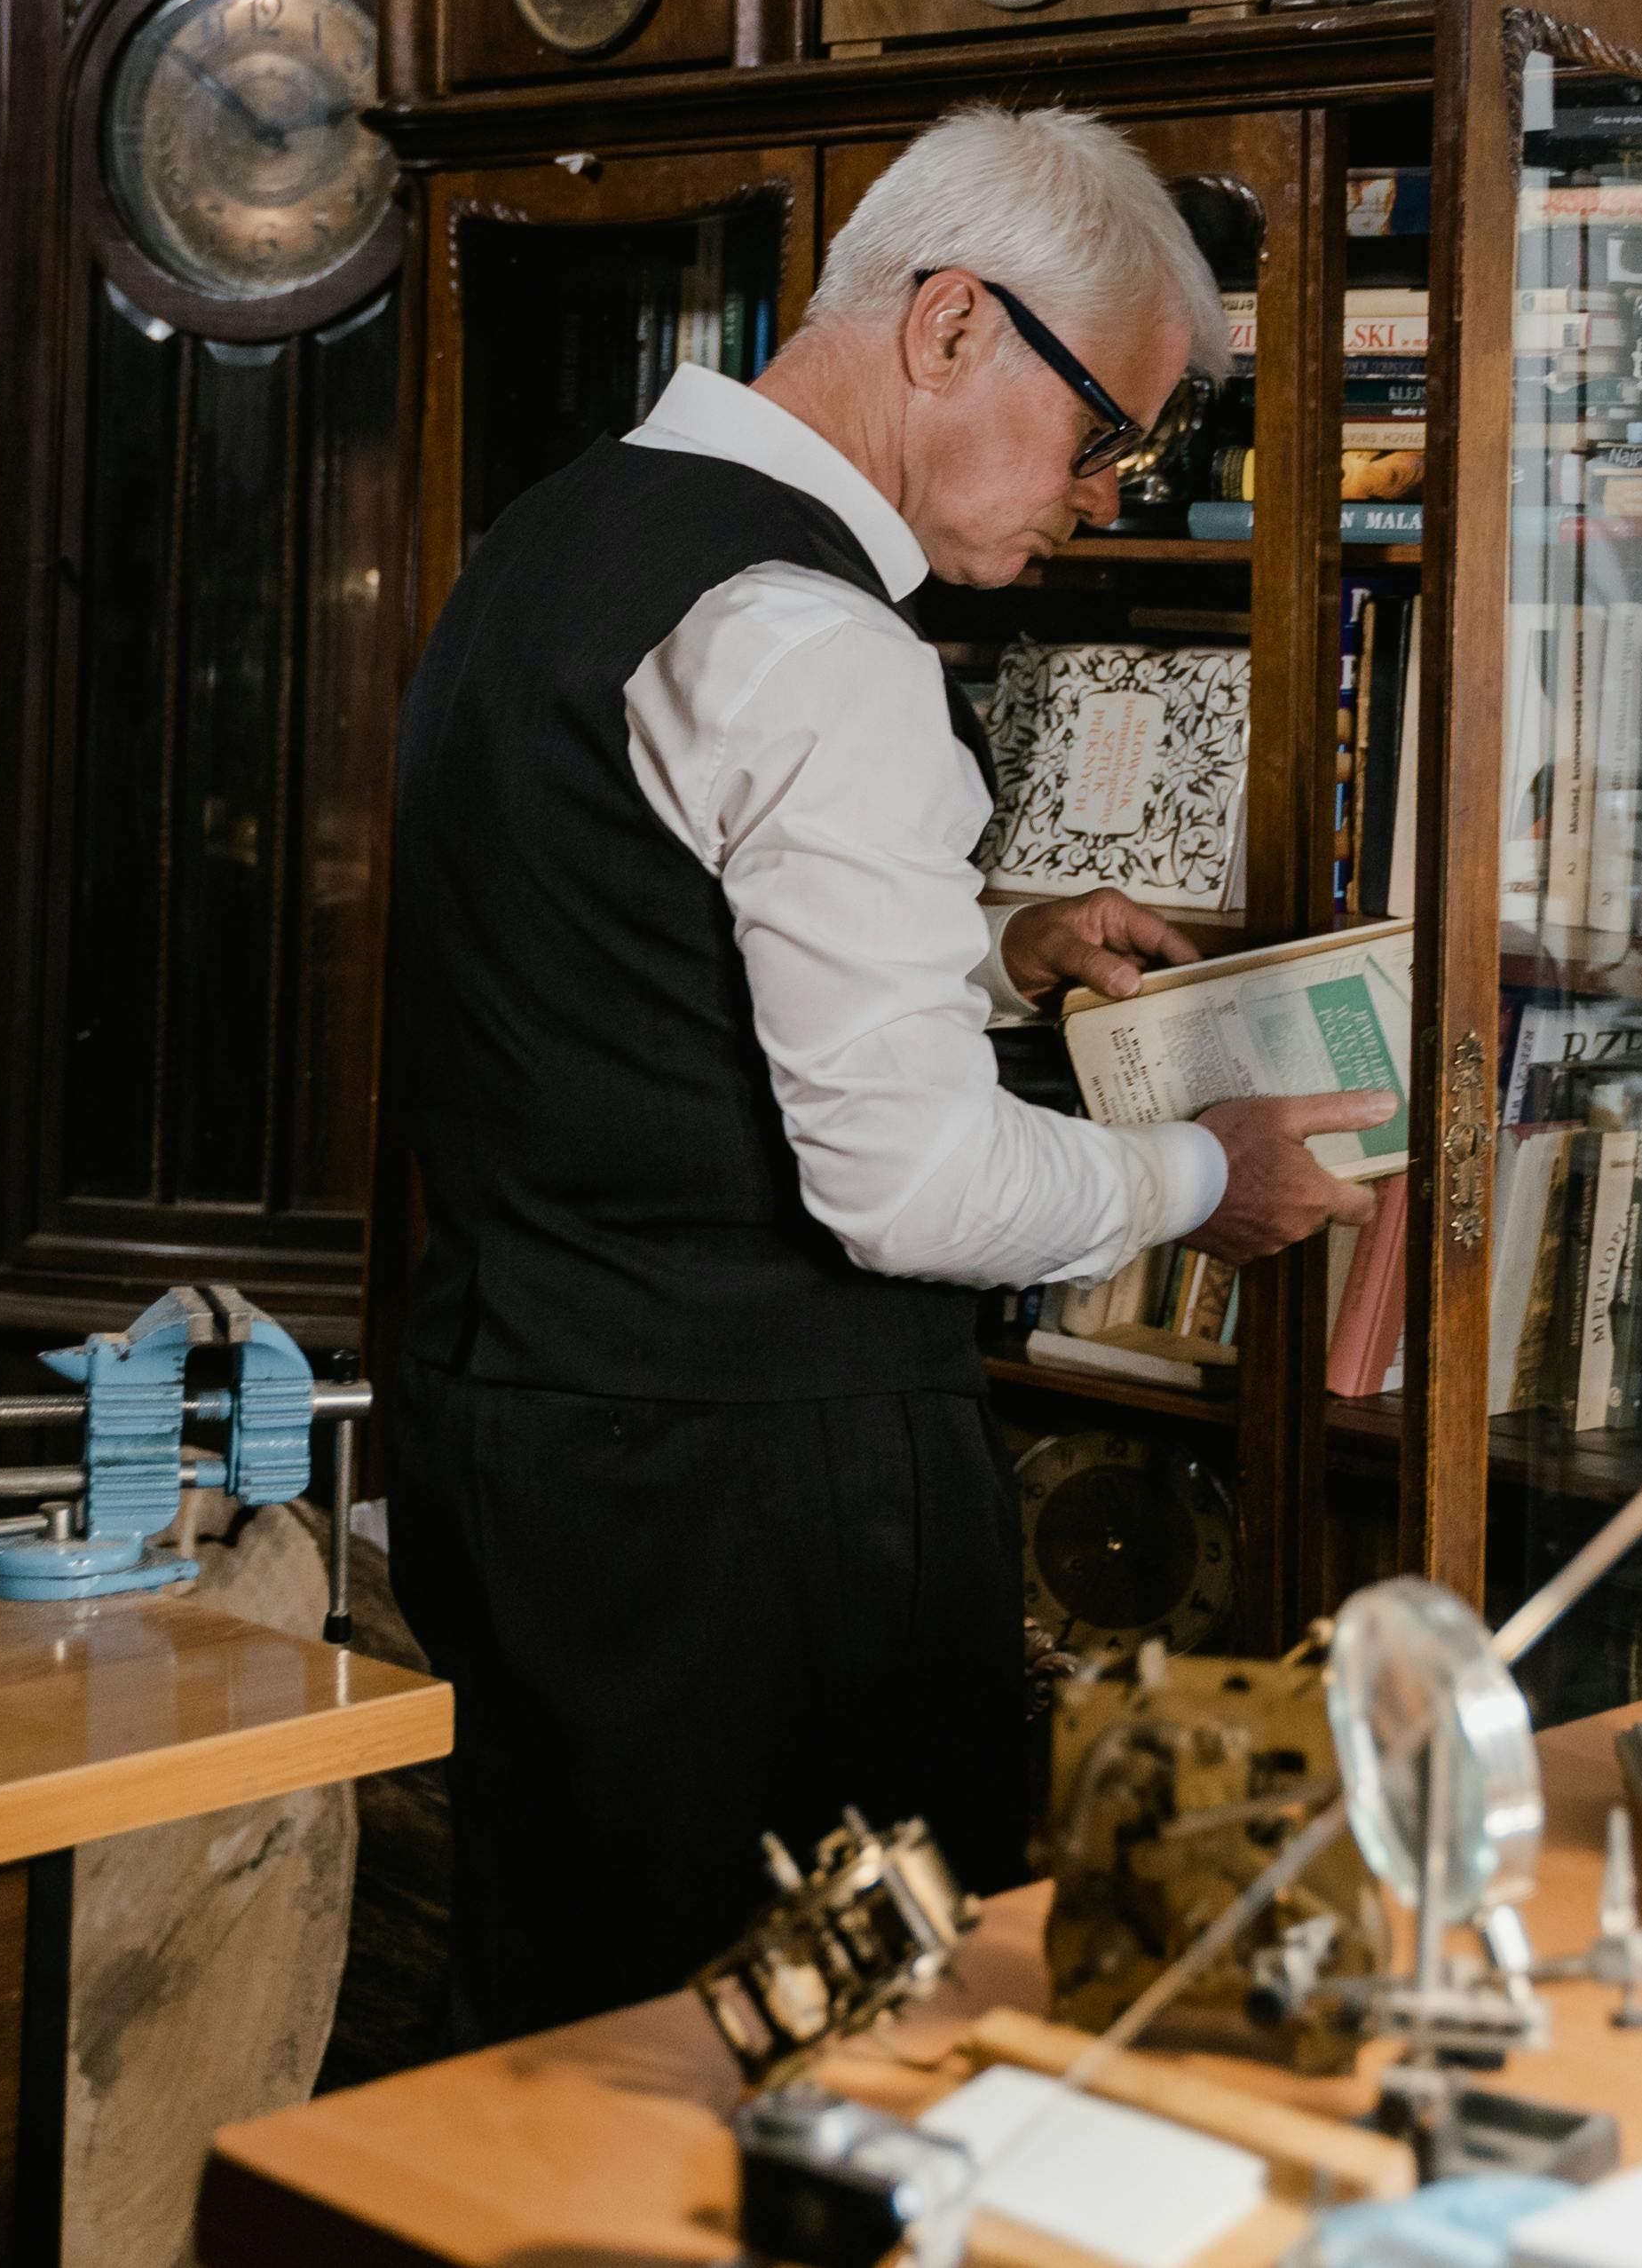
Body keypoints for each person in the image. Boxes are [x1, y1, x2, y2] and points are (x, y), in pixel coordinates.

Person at [383, 104, 1384, 2040]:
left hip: (513, 1433)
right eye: (1107, 432)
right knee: (832, 2078)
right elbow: (909, 1191)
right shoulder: (820, 642)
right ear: (947, 329)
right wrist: (1202, 1179)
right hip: (745, 1505)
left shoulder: (553, 534)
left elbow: (617, 952)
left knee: (564, 2041)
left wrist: (997, 954)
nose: (1108, 492)